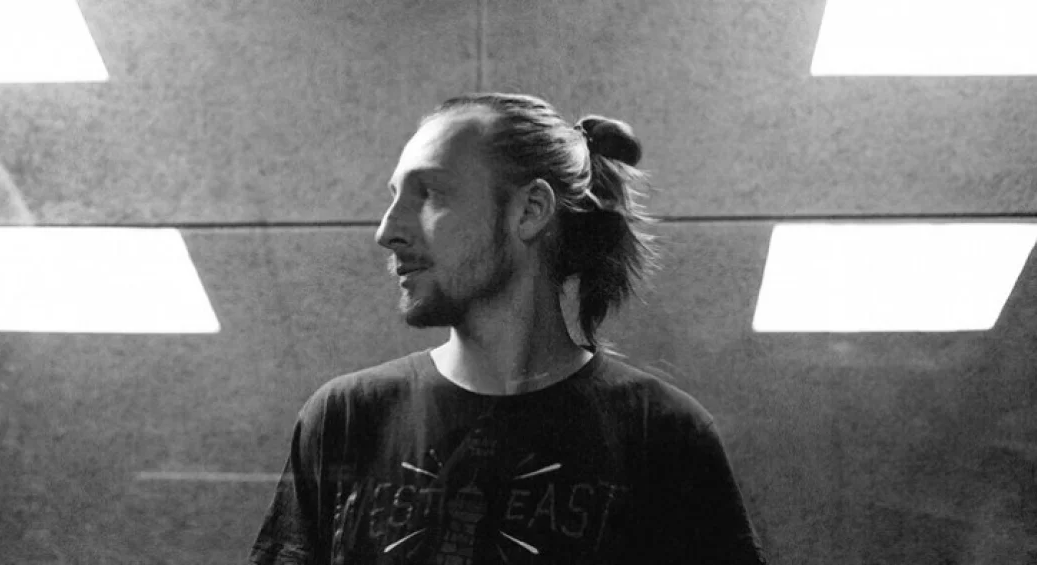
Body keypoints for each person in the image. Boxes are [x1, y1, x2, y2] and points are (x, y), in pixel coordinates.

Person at [250, 93, 767, 565]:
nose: (388, 231)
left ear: (531, 210)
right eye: (394, 196)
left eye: (430, 194)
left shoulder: (665, 436)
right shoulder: (346, 419)